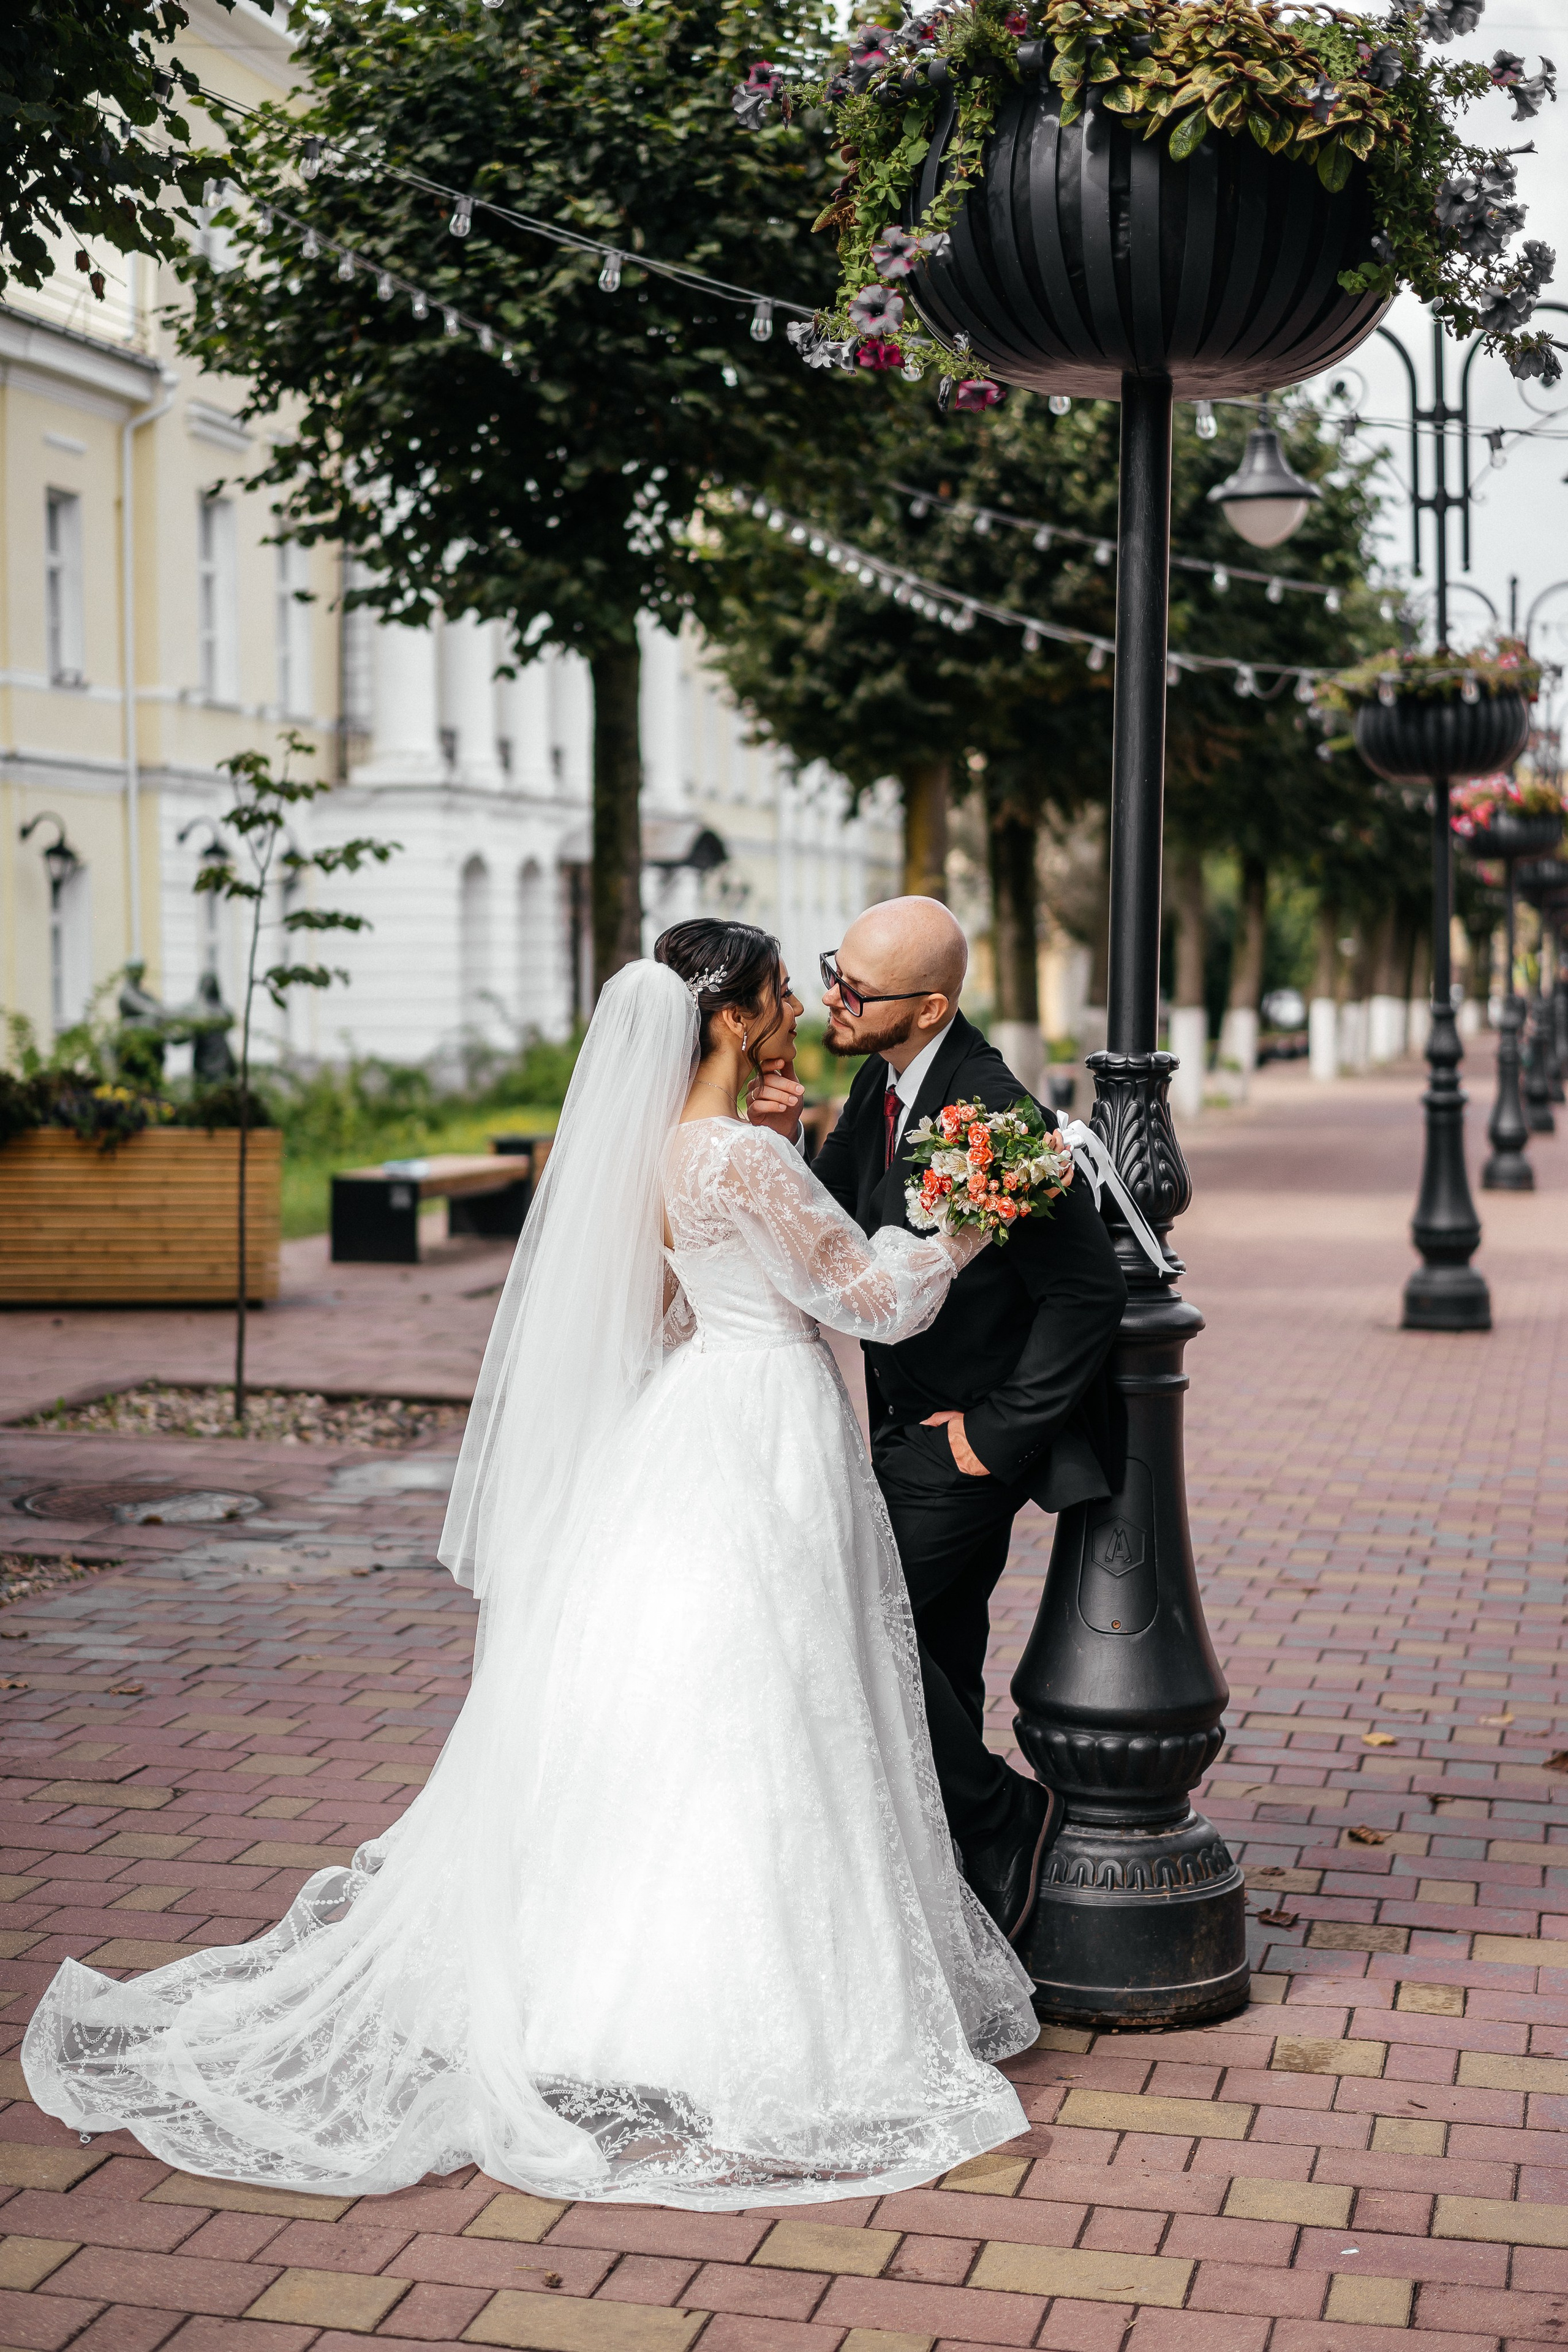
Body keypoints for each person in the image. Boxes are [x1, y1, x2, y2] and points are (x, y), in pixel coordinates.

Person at [22, 921, 1038, 2210]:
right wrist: (961, 1216)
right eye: (783, 993)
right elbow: (877, 1303)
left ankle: (604, 1998)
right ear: (732, 1022)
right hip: (768, 1426)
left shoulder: (660, 1153)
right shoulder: (735, 1154)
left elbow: (669, 1310)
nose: (798, 1010)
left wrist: (782, 1168)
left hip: (691, 1424)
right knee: (774, 1703)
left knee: (695, 1707)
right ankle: (753, 2018)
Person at [794, 898, 1128, 1947]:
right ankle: (953, 1901)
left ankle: (1005, 1817)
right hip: (897, 1423)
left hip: (962, 1442)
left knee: (850, 1626)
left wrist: (992, 1435)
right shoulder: (877, 1080)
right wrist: (769, 1140)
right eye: (833, 973)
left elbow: (1087, 1294)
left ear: (930, 1005)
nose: (831, 999)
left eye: (855, 989)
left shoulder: (997, 1115)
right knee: (932, 1651)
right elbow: (834, 1222)